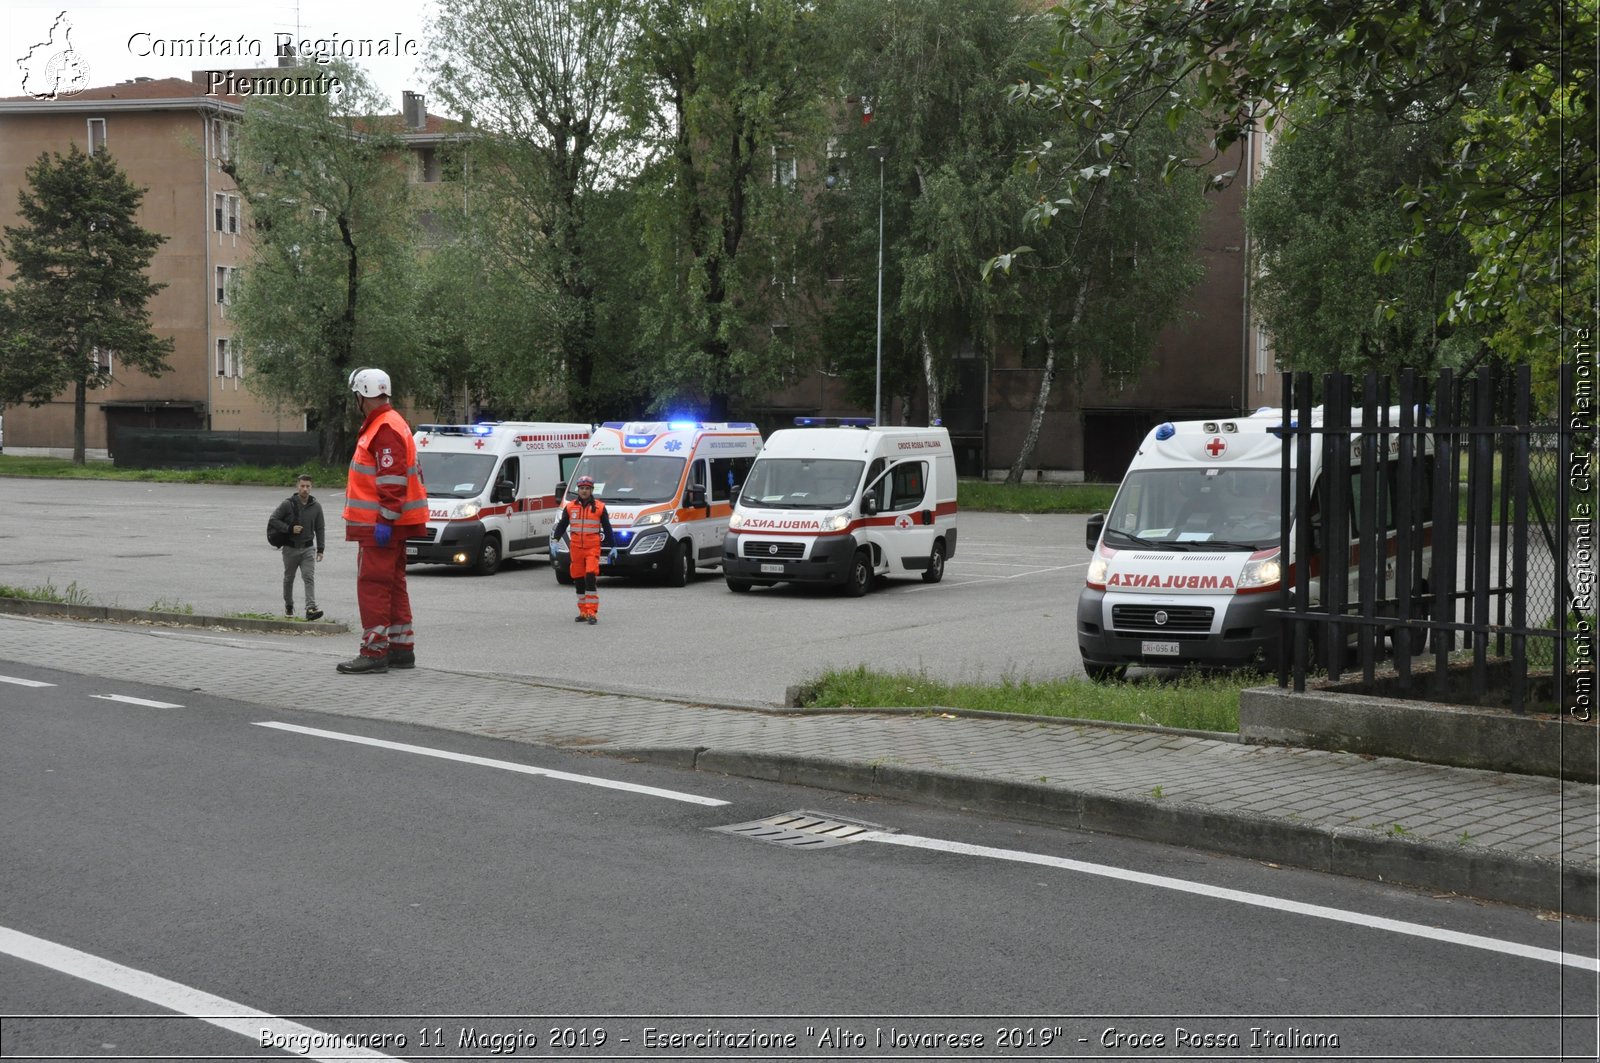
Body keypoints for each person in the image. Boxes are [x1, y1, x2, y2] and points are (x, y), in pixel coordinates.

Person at [338, 367, 427, 674]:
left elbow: (391, 479)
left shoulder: (384, 428)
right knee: (393, 583)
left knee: (373, 584)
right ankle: (401, 649)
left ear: (361, 395)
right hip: (394, 522)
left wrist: (385, 520)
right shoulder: (392, 423)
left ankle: (374, 651)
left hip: (381, 523)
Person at [552, 474, 613, 624]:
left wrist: (613, 546)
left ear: (592, 490)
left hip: (592, 547)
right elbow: (562, 525)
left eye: (587, 488)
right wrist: (555, 540)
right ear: (578, 490)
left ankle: (592, 612)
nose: (584, 491)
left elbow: (607, 527)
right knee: (578, 579)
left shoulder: (600, 507)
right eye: (581, 488)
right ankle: (583, 611)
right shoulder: (570, 506)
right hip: (576, 548)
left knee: (590, 576)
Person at [268, 473, 325, 620]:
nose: (305, 489)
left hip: (308, 548)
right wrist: (289, 529)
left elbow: (320, 528)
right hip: (290, 548)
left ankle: (310, 608)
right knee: (289, 578)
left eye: (308, 486)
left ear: (311, 487)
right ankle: (289, 604)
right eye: (302, 486)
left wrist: (321, 549)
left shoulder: (316, 506)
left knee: (308, 577)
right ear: (297, 487)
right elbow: (273, 519)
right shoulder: (288, 504)